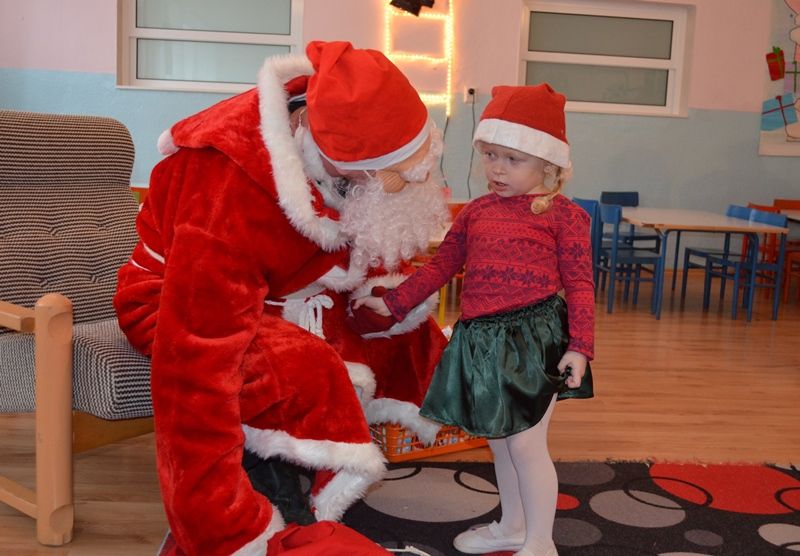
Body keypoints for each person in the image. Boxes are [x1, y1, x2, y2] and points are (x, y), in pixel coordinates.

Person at [113, 40, 451, 556]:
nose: (413, 181)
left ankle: (301, 464)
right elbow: (195, 364)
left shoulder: (331, 141)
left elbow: (360, 239)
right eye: (397, 175)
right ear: (344, 161)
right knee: (304, 365)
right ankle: (268, 498)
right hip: (173, 302)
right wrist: (220, 524)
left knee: (407, 334)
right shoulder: (225, 183)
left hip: (281, 293)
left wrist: (385, 299)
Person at [354, 83, 595, 556]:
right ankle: (513, 527)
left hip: (533, 341)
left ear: (547, 165)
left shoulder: (564, 216)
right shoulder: (477, 211)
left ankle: (540, 542)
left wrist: (580, 346)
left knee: (526, 445)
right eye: (490, 156)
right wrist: (395, 302)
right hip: (480, 341)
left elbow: (581, 285)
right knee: (500, 442)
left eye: (512, 159)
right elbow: (443, 265)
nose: (496, 169)